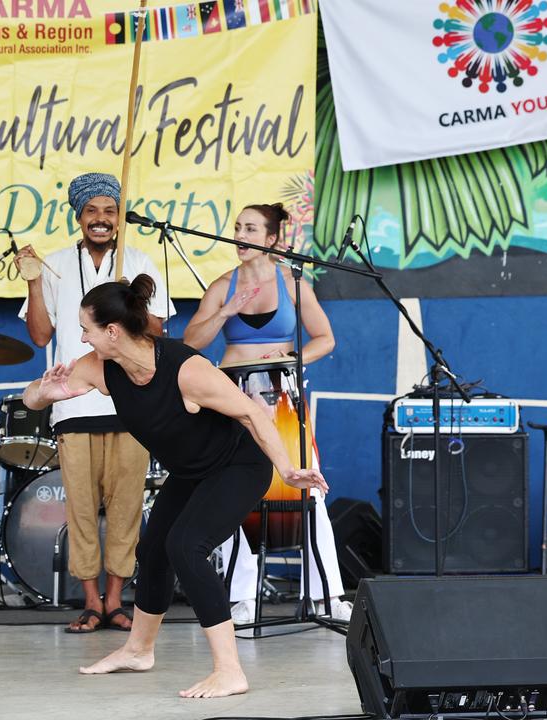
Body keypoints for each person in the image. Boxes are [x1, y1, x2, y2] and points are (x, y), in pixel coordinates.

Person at [22, 275, 327, 698]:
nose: (81, 337)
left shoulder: (185, 370)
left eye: (86, 329)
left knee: (186, 546)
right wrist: (44, 391)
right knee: (152, 551)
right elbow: (31, 400)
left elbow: (254, 414)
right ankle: (138, 650)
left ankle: (229, 670)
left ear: (111, 331)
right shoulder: (100, 369)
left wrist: (289, 470)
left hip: (239, 465)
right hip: (192, 471)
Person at [15, 172, 173, 632]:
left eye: (109, 211)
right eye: (92, 211)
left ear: (120, 218)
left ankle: (117, 600)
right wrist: (31, 280)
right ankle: (90, 602)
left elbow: (158, 331)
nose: (100, 220)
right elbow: (40, 334)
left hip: (132, 404)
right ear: (78, 216)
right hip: (73, 404)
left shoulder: (139, 260)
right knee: (80, 510)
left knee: (126, 508)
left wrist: (131, 301)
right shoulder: (56, 264)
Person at [182, 203, 348, 623]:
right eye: (237, 227)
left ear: (272, 239)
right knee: (232, 491)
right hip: (232, 392)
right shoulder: (223, 286)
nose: (240, 234)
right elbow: (191, 343)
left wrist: (294, 357)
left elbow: (325, 338)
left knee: (307, 486)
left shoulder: (292, 282)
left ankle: (328, 595)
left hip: (282, 392)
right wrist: (225, 311)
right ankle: (241, 596)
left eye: (251, 228)